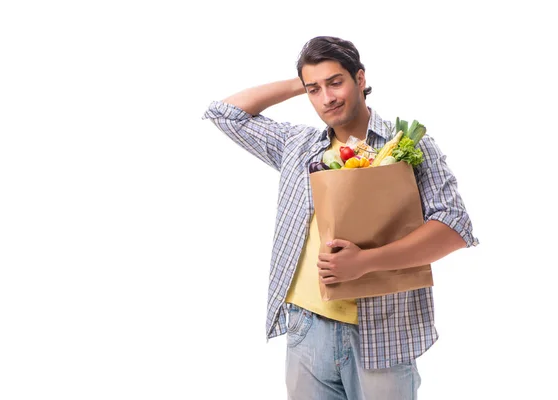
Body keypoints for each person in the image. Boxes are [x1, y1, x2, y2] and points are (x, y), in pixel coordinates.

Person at [202, 36, 478, 400]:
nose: (327, 98)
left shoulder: (407, 145)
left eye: (336, 82)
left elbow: (456, 227)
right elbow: (224, 113)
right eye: (314, 89)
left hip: (383, 331)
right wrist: (300, 84)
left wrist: (364, 262)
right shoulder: (297, 145)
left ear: (360, 79)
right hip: (306, 327)